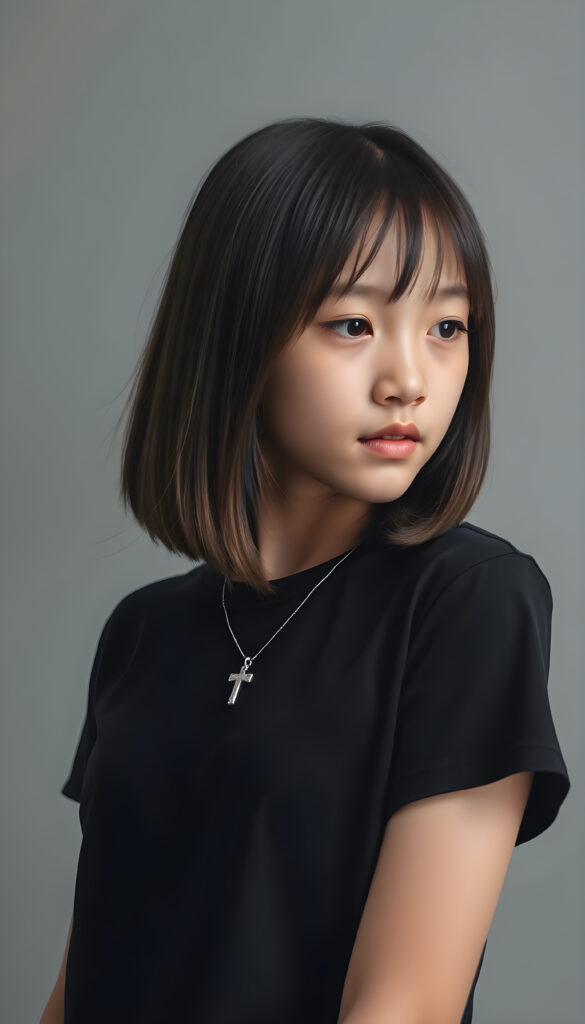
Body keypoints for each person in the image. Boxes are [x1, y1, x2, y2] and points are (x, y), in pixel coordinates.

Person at [41, 117, 570, 1024]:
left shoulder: (469, 602)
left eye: (447, 325)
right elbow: (87, 977)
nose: (408, 378)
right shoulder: (141, 633)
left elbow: (405, 1004)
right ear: (236, 338)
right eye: (352, 324)